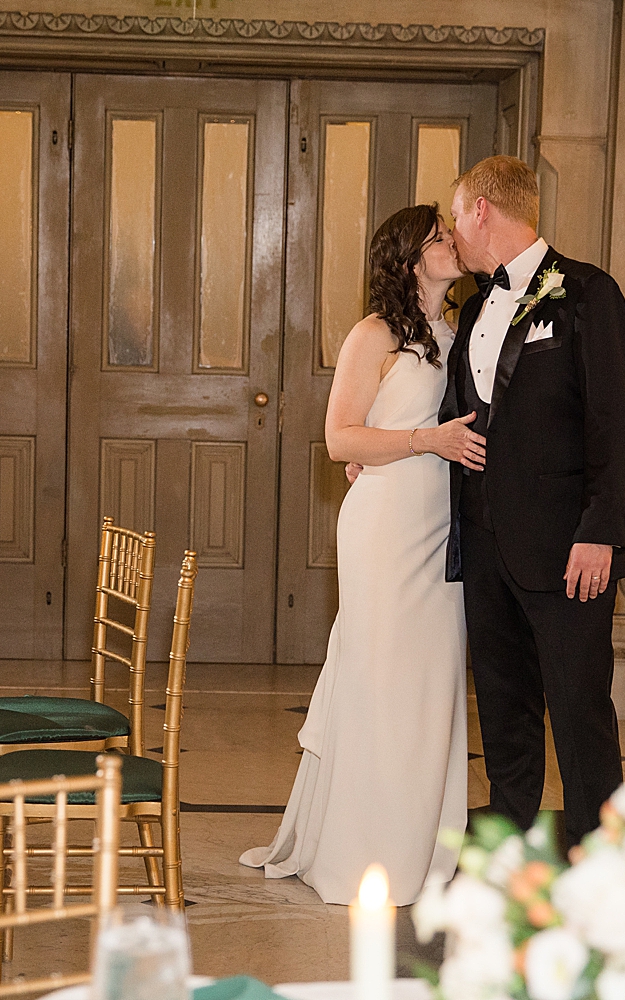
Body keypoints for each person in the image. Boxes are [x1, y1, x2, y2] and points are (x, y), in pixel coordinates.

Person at [240, 204, 486, 905]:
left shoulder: (456, 330)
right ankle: (365, 850)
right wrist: (421, 441)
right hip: (385, 526)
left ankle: (422, 844)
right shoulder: (373, 333)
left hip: (441, 524)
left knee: (431, 682)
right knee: (381, 677)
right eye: (440, 237)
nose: (453, 243)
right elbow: (341, 440)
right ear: (410, 257)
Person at [439, 155, 625, 847]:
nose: (455, 234)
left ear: (481, 212)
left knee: (580, 709)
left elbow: (615, 425)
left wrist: (602, 533)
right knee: (501, 706)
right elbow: (458, 416)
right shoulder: (471, 309)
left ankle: (600, 856)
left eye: (456, 217)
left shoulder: (588, 292)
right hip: (486, 542)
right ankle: (505, 843)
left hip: (567, 549)